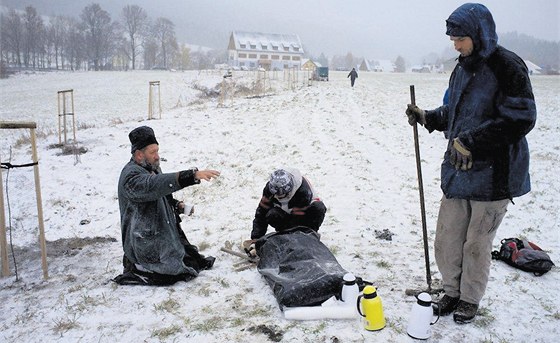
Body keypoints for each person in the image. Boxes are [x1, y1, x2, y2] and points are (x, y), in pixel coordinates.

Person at [405, 3, 536, 324]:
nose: (456, 45)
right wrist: (429, 117)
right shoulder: (462, 67)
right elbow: (456, 111)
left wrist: (473, 141)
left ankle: (469, 299)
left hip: (495, 177)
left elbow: (521, 118)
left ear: (479, 34)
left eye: (461, 39)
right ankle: (451, 290)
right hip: (460, 171)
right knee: (447, 238)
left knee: (476, 244)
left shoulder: (507, 66)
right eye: (452, 40)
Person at [114, 126, 221, 285]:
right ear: (138, 154)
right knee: (173, 274)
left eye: (157, 151)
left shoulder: (151, 167)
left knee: (192, 261)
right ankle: (137, 268)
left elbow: (160, 194)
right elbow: (154, 186)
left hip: (161, 233)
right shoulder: (131, 177)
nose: (157, 156)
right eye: (152, 152)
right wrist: (192, 176)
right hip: (142, 240)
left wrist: (177, 205)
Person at [244, 168, 327, 255]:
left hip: (304, 216)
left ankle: (309, 236)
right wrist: (256, 240)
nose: (279, 197)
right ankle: (284, 236)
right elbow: (261, 214)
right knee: (272, 214)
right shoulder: (269, 191)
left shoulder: (303, 192)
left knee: (318, 207)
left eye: (282, 195)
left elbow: (297, 221)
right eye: (277, 195)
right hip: (285, 215)